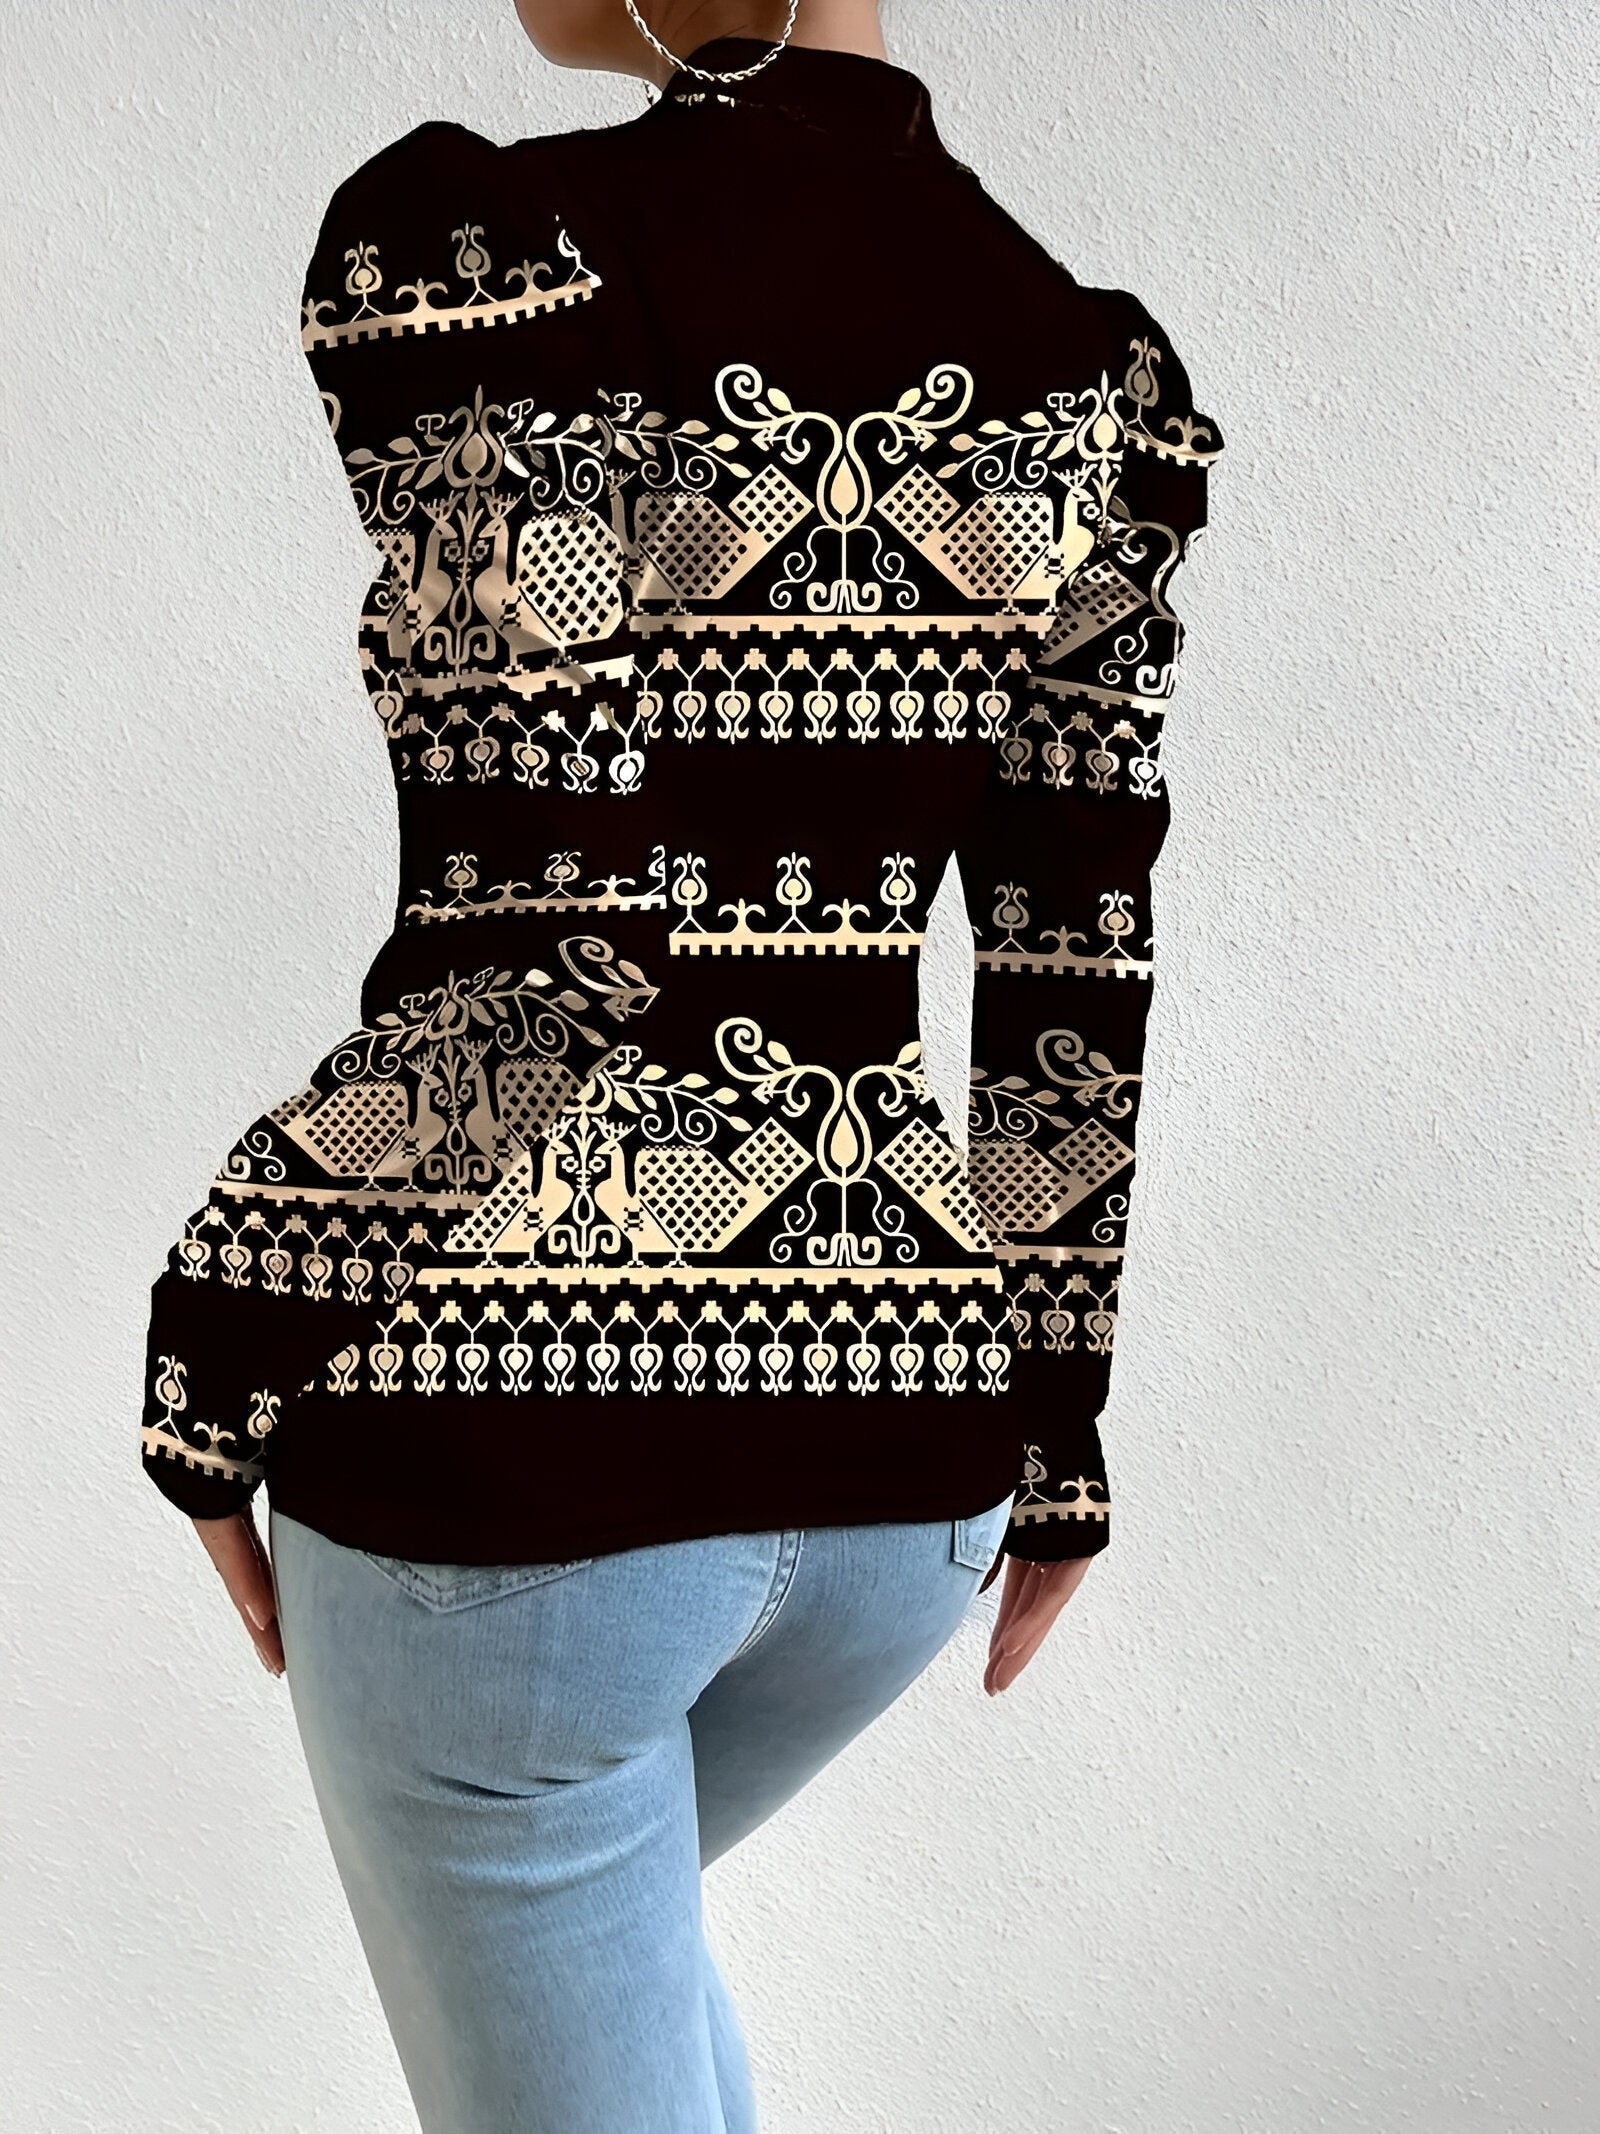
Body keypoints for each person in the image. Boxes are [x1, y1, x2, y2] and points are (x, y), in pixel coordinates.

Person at [138, 2, 1225, 2123]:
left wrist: (215, 1337)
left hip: (526, 1453)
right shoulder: (1091, 364)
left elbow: (556, 939)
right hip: (908, 1461)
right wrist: (1058, 1422)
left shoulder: (489, 259)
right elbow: (1067, 951)